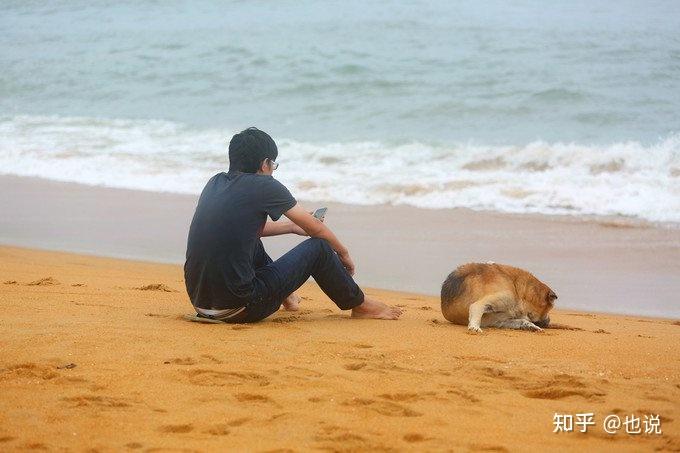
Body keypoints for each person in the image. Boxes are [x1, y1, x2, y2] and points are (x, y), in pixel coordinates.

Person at [184, 127, 402, 323]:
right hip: (242, 306)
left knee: (246, 239)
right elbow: (316, 229)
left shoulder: (214, 182)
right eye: (273, 165)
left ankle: (287, 297)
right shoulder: (264, 185)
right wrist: (344, 254)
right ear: (265, 164)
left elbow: (241, 230)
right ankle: (360, 305)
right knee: (319, 247)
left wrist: (290, 226)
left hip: (201, 303)